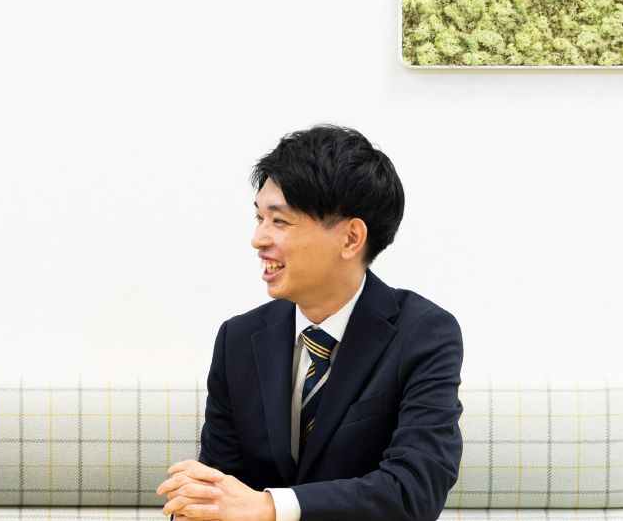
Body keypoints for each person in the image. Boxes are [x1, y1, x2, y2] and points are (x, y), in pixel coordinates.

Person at [158, 125, 463, 521]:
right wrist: (197, 502)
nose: (258, 239)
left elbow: (414, 491)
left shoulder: (423, 335)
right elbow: (221, 486)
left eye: (279, 221)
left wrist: (269, 506)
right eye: (259, 218)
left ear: (351, 238)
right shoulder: (239, 339)